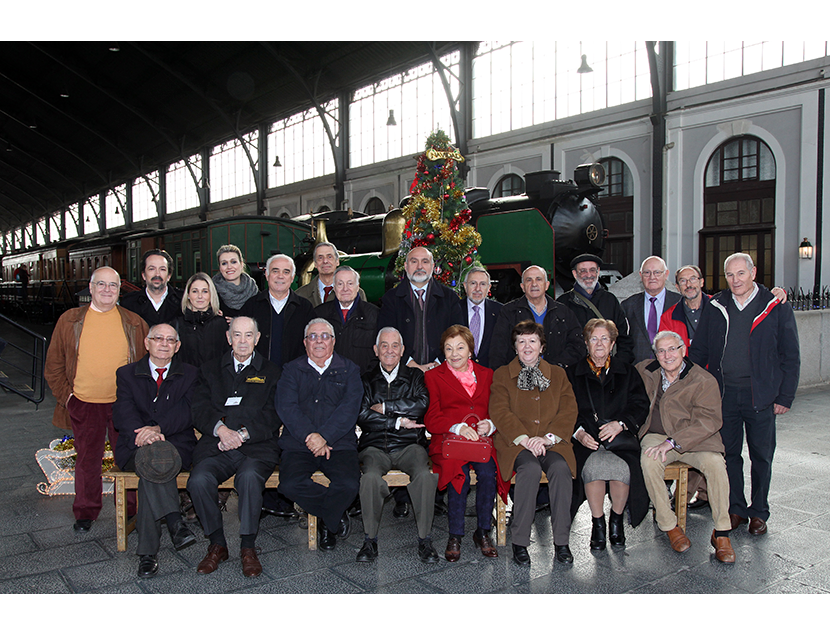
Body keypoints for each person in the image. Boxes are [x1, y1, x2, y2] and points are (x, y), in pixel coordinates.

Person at [690, 253, 800, 536]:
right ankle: (736, 508)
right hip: (725, 394)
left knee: (762, 456)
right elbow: (700, 350)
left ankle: (759, 511)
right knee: (729, 455)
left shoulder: (775, 305)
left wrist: (784, 397)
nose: (735, 280)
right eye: (730, 274)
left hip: (761, 395)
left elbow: (790, 355)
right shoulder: (715, 306)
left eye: (741, 273)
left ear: (753, 272)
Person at [44, 266, 149, 532]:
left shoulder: (134, 322)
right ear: (90, 288)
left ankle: (129, 510)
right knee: (87, 459)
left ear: (119, 291)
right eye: (100, 284)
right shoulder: (69, 320)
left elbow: (146, 365)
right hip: (84, 401)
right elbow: (54, 364)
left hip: (122, 404)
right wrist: (68, 398)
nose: (106, 290)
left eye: (112, 285)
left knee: (126, 457)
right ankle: (85, 512)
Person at [187, 316, 281, 577]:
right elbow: (199, 409)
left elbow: (274, 414)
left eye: (248, 335)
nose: (242, 341)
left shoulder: (272, 372)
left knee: (250, 477)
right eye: (237, 335)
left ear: (257, 338)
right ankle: (217, 543)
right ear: (229, 338)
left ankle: (248, 547)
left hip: (256, 446)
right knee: (198, 480)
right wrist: (222, 430)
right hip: (217, 444)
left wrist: (241, 434)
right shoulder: (209, 370)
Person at [637, 331, 736, 563]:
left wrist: (673, 441)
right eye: (661, 350)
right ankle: (669, 525)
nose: (667, 355)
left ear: (683, 350)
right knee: (649, 461)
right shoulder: (645, 370)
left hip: (694, 438)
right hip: (656, 434)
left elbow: (710, 420)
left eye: (672, 349)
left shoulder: (703, 379)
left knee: (715, 464)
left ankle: (721, 532)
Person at [112, 323, 198, 578]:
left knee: (154, 464)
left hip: (177, 445)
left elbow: (189, 413)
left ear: (177, 347)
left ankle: (148, 553)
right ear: (146, 343)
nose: (164, 343)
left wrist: (158, 429)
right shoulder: (126, 374)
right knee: (153, 461)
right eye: (158, 338)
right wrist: (144, 434)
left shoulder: (191, 374)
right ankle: (174, 521)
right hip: (135, 444)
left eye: (170, 340)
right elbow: (122, 413)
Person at [490, 320, 579, 566]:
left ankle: (562, 542)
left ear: (542, 346)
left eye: (532, 341)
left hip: (551, 442)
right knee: (529, 469)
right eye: (521, 341)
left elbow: (569, 410)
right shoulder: (502, 375)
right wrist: (526, 439)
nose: (527, 346)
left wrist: (548, 438)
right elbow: (499, 412)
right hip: (516, 443)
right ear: (515, 347)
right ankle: (519, 541)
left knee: (561, 469)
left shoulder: (558, 374)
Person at [276, 318, 363, 551]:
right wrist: (310, 436)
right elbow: (286, 407)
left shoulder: (350, 370)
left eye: (325, 336)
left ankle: (326, 522)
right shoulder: (291, 370)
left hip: (338, 443)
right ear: (305, 343)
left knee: (348, 484)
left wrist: (324, 436)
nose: (319, 341)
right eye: (313, 336)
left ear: (333, 341)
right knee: (289, 485)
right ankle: (334, 515)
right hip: (298, 443)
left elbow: (350, 409)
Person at [355, 326, 439, 563]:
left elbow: (421, 405)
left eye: (395, 346)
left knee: (424, 474)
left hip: (410, 445)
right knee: (370, 477)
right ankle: (370, 540)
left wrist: (385, 408)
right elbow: (361, 415)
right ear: (376, 350)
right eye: (384, 345)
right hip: (375, 446)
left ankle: (425, 540)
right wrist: (399, 421)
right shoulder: (366, 380)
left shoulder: (416, 377)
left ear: (403, 350)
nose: (389, 351)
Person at [567, 318, 650, 552]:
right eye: (594, 339)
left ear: (613, 343)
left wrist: (621, 424)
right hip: (587, 441)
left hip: (619, 440)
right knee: (592, 468)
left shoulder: (628, 371)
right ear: (586, 343)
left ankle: (616, 522)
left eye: (605, 338)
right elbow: (565, 409)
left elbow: (640, 404)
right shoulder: (573, 373)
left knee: (622, 470)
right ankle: (598, 524)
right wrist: (579, 433)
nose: (600, 343)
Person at [424, 325, 498, 562]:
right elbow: (431, 418)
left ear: (470, 350)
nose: (454, 354)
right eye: (448, 348)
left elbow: (497, 409)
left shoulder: (487, 374)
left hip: (481, 442)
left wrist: (491, 424)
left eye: (460, 347)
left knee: (488, 473)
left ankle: (483, 531)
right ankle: (455, 535)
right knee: (459, 474)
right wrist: (457, 427)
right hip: (449, 441)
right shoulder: (433, 376)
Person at [377, 246, 464, 373]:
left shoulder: (449, 298)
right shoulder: (391, 299)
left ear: (433, 266)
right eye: (414, 261)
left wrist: (439, 362)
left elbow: (458, 334)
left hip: (442, 371)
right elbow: (384, 337)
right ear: (406, 266)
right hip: (403, 373)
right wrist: (410, 363)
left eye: (425, 261)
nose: (419, 267)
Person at [489, 265, 584, 369]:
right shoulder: (509, 312)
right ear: (522, 287)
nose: (534, 284)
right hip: (518, 379)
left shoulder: (564, 313)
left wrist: (555, 367)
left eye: (539, 279)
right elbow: (498, 350)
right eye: (529, 280)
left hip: (554, 378)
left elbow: (577, 346)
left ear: (546, 285)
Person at [239, 254, 316, 369]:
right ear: (267, 275)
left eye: (286, 272)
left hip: (295, 378)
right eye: (275, 271)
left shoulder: (305, 308)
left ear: (292, 277)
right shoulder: (251, 306)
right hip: (258, 377)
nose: (280, 276)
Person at [559, 254, 634, 364]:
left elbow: (623, 338)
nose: (588, 275)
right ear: (575, 274)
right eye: (583, 271)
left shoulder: (610, 300)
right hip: (575, 370)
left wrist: (618, 364)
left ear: (598, 272)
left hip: (607, 368)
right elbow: (558, 341)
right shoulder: (563, 303)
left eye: (592, 270)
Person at [314, 266, 379, 374]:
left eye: (350, 283)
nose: (345, 289)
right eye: (340, 284)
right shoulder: (319, 315)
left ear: (358, 287)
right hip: (328, 382)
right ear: (334, 288)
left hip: (362, 382)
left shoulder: (374, 315)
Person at [620, 256, 681, 364]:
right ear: (640, 275)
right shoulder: (628, 305)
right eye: (647, 273)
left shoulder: (679, 303)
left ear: (666, 274)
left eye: (657, 272)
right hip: (638, 369)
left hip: (671, 367)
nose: (652, 277)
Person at [172, 273, 229, 367]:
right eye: (195, 291)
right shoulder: (177, 324)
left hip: (214, 380)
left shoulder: (222, 324)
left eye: (205, 291)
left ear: (211, 294)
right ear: (188, 295)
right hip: (186, 379)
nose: (200, 296)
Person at [120, 249, 183, 326]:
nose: (157, 274)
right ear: (143, 275)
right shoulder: (128, 303)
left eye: (162, 269)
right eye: (152, 269)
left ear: (169, 276)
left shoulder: (183, 301)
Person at [296, 241, 367, 307]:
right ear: (315, 264)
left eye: (329, 257)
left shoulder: (357, 294)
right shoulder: (301, 295)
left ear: (337, 261)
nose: (325, 261)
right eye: (320, 258)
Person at [460, 266, 502, 369]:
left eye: (483, 284)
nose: (477, 289)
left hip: (490, 376)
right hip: (459, 374)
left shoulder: (500, 311)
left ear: (489, 287)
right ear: (465, 286)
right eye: (473, 283)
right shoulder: (453, 310)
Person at [212, 244, 259, 320]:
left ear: (241, 264)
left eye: (233, 262)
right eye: (224, 263)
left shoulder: (254, 291)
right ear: (220, 267)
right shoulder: (211, 293)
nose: (229, 267)